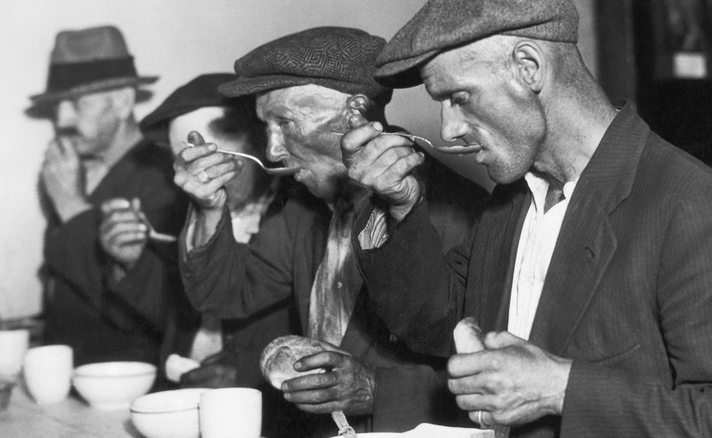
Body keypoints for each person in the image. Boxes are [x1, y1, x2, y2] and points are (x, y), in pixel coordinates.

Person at [342, 0, 712, 437]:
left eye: (459, 98)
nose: (448, 129)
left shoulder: (689, 205)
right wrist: (403, 205)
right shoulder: (512, 202)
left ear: (528, 67)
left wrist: (561, 389)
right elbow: (434, 325)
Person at [174, 27, 489, 436]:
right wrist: (208, 209)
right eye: (266, 127)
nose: (272, 150)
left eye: (284, 122)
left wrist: (377, 389)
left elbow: (491, 378)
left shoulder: (459, 210)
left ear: (353, 112)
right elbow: (226, 293)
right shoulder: (304, 205)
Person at [30, 25, 188, 367]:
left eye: (76, 103)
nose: (61, 120)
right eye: (58, 105)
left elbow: (145, 309)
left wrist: (72, 208)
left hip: (128, 381)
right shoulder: (74, 171)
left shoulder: (165, 177)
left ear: (122, 102)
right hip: (69, 374)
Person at [138, 73, 292, 390]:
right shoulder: (187, 211)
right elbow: (172, 310)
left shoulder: (295, 214)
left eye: (209, 162)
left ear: (259, 146)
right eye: (183, 165)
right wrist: (129, 264)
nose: (197, 178)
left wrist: (251, 374)